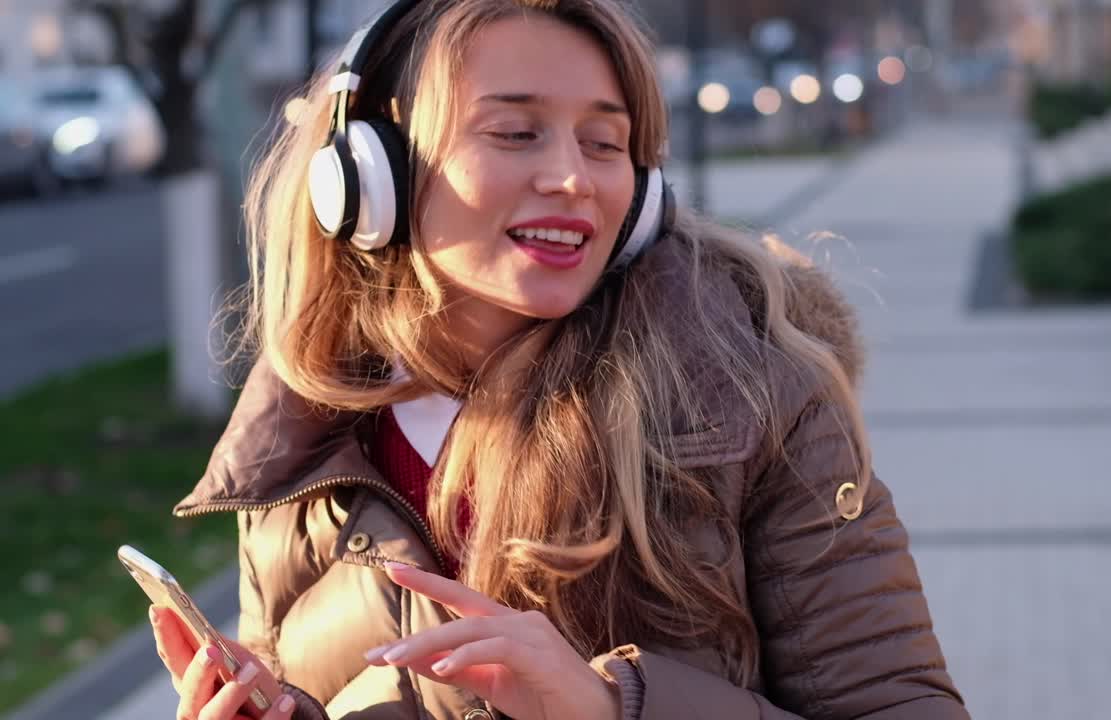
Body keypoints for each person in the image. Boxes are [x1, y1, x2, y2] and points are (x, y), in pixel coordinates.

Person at [147, 1, 969, 718]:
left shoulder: (757, 399)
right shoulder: (300, 433)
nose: (573, 178)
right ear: (373, 173)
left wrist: (610, 707)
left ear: (643, 196)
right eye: (516, 132)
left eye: (605, 142)